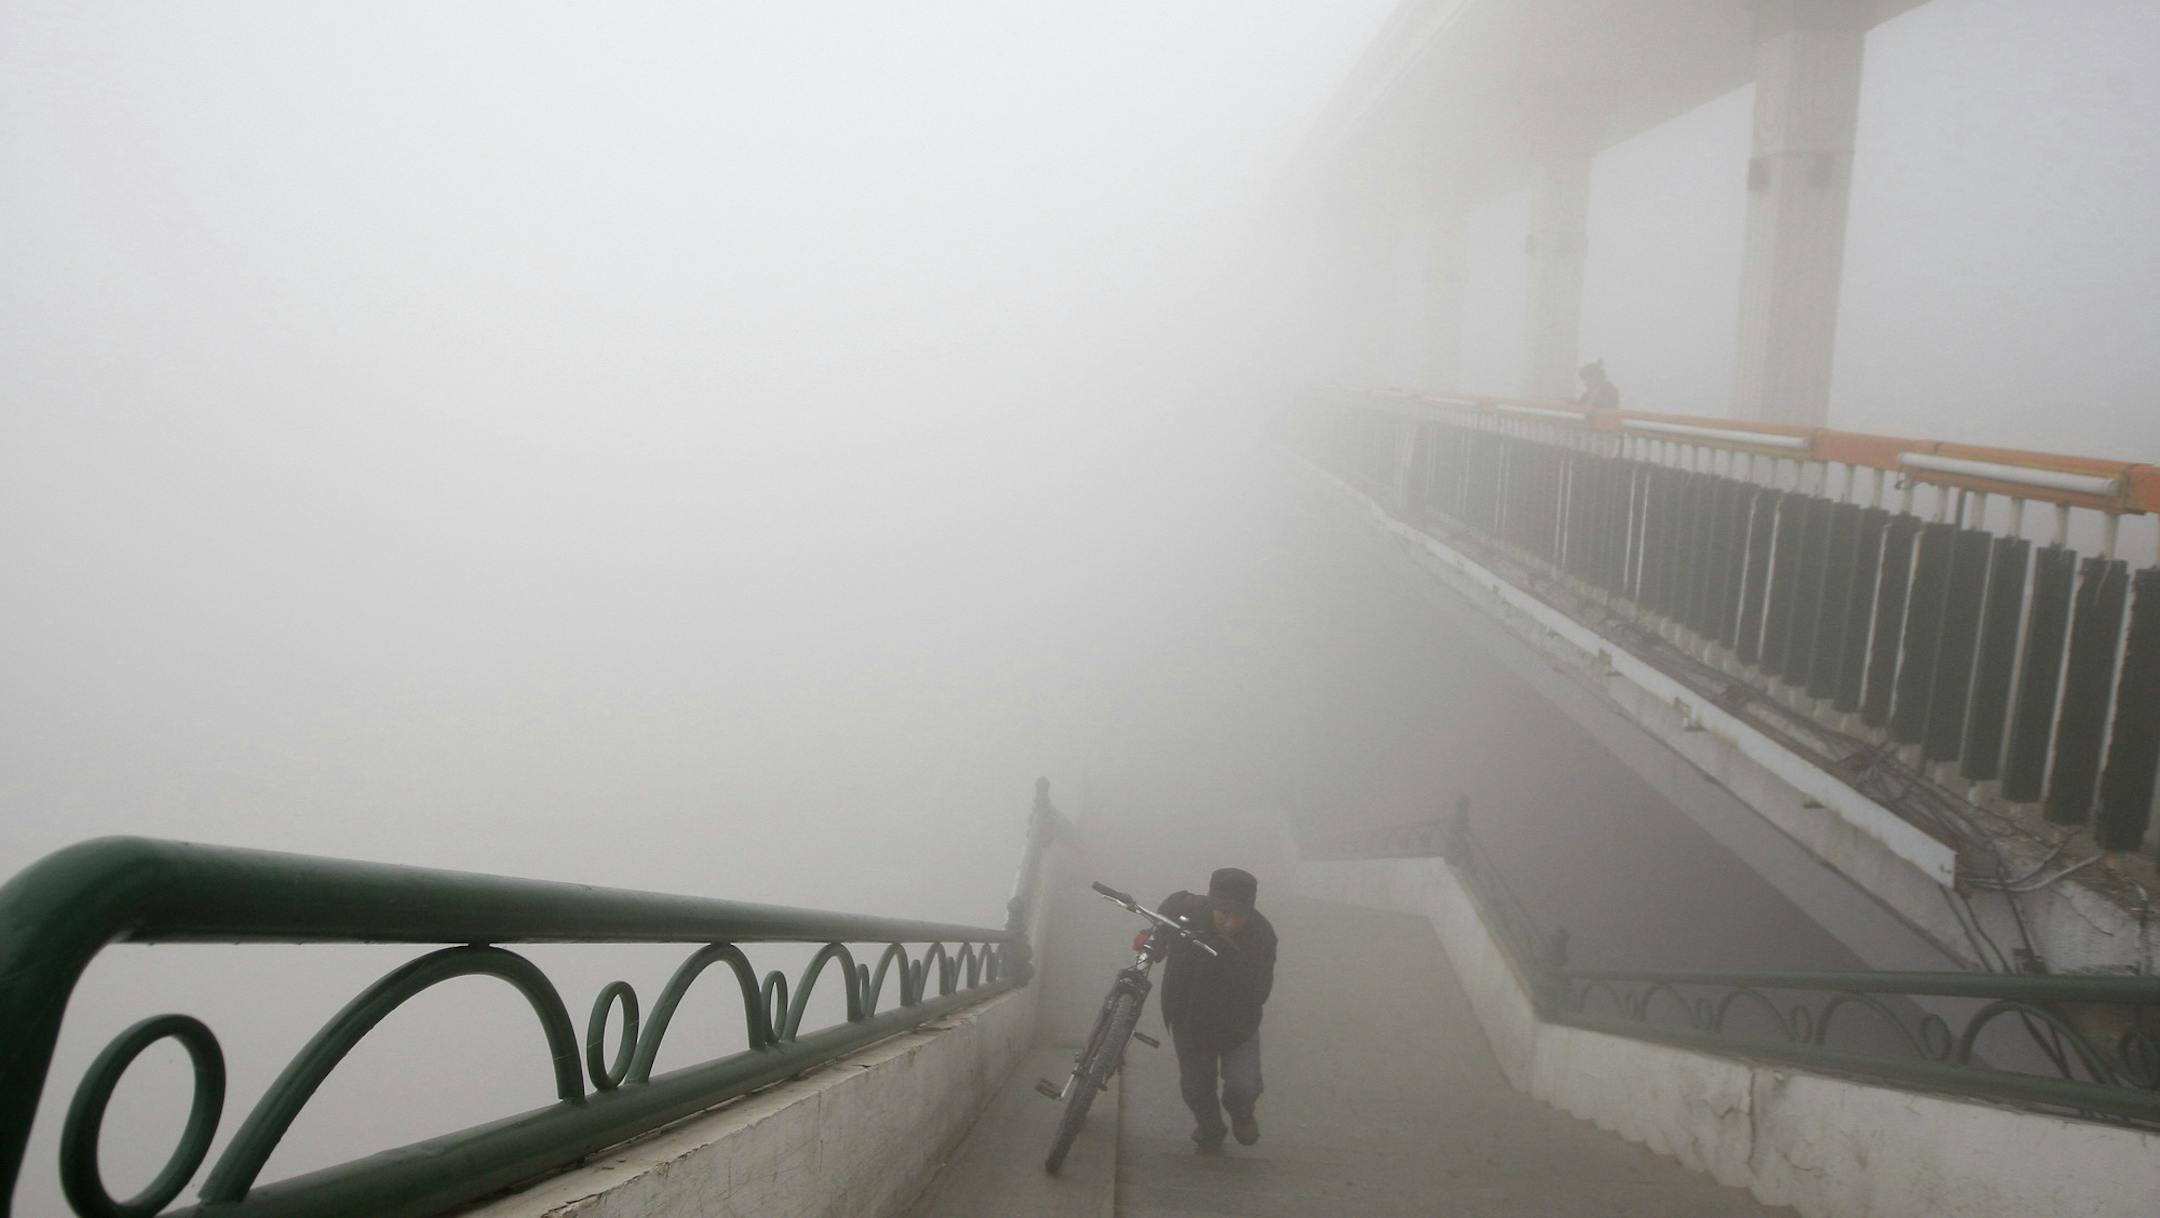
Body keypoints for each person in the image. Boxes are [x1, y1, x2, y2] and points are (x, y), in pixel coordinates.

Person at [1156, 867, 1278, 1152]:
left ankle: (1241, 1112)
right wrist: (1158, 938)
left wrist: (1228, 961)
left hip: (1237, 1024)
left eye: (1239, 915)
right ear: (1212, 903)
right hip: (1188, 1017)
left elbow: (1261, 991)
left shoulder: (1262, 935)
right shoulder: (1189, 908)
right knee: (1195, 1089)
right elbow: (1168, 908)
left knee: (1244, 1086)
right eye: (1223, 912)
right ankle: (1210, 1126)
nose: (1230, 922)